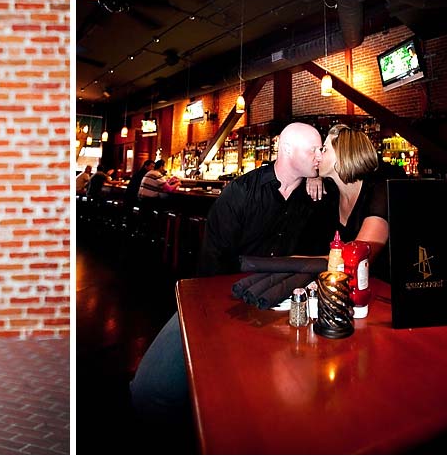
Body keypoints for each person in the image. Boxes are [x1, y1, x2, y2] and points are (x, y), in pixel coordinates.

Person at [129, 123, 330, 448]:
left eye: (321, 149)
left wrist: (317, 173)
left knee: (268, 407)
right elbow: (211, 262)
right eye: (314, 150)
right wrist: (207, 321)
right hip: (219, 297)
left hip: (278, 305)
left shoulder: (314, 194)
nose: (320, 155)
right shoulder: (241, 192)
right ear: (287, 150)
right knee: (150, 390)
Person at [316, 124, 390, 267]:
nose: (318, 155)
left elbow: (357, 260)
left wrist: (294, 261)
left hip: (382, 285)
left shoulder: (379, 192)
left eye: (324, 150)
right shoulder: (330, 193)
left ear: (343, 154)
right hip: (344, 284)